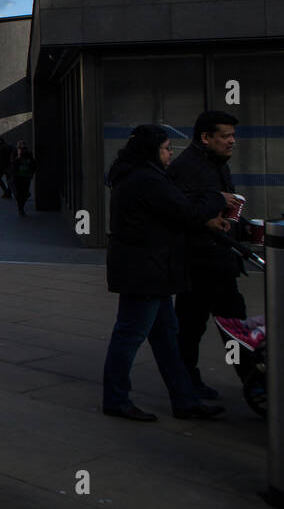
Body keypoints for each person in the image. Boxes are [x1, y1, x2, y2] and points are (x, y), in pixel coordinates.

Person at [101, 124, 229, 421]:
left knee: (166, 338)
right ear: (152, 150)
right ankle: (116, 399)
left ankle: (184, 399)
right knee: (130, 334)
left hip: (150, 271)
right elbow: (186, 212)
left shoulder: (136, 175)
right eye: (167, 148)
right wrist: (218, 198)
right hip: (146, 272)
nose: (171, 154)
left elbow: (174, 213)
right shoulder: (147, 179)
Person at [169, 111, 248, 399]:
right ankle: (187, 382)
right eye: (225, 136)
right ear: (206, 137)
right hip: (201, 262)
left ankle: (250, 377)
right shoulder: (187, 168)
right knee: (198, 326)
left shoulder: (217, 165)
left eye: (232, 136)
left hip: (219, 258)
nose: (232, 141)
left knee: (225, 324)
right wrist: (207, 220)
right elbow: (180, 213)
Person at [11, 140, 37, 215]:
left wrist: (31, 170)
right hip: (18, 176)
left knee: (25, 192)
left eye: (23, 148)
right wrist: (18, 157)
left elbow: (34, 164)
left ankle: (21, 206)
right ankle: (20, 208)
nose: (22, 150)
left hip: (26, 176)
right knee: (19, 193)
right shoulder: (15, 154)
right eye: (20, 147)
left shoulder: (29, 154)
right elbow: (13, 163)